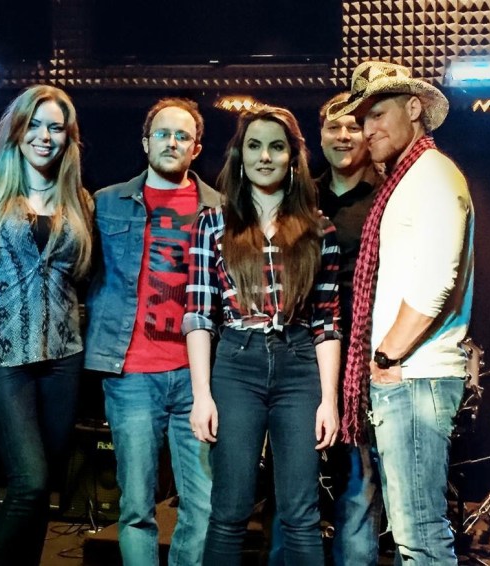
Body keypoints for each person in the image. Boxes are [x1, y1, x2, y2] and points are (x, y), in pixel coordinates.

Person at [328, 60, 474, 564]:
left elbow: (436, 283)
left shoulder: (432, 176)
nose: (367, 129)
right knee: (412, 533)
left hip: (414, 378)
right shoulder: (408, 178)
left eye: (377, 114)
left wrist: (385, 357)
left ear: (413, 108)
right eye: (361, 119)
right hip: (409, 378)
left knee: (419, 536)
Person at [184, 106, 341, 566]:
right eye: (254, 146)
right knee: (229, 511)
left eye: (276, 147)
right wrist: (201, 395)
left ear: (293, 157)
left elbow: (327, 322)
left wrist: (329, 400)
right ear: (240, 155)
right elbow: (199, 314)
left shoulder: (319, 228)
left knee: (301, 514)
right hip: (237, 362)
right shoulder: (213, 223)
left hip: (299, 365)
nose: (265, 156)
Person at [84, 98, 219, 566]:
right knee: (137, 507)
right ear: (145, 142)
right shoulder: (106, 202)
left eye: (183, 136)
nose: (171, 142)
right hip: (131, 375)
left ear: (196, 148)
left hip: (196, 379)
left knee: (202, 507)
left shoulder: (218, 208)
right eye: (162, 133)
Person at [0, 85, 93, 566]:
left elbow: (88, 279)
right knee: (28, 481)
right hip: (6, 356)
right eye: (36, 125)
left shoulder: (81, 200)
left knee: (45, 487)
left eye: (56, 128)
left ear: (68, 138)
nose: (45, 136)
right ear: (18, 129)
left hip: (64, 356)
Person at [317, 92, 384, 566]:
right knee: (291, 488)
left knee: (359, 486)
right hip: (307, 353)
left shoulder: (387, 195)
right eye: (333, 127)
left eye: (353, 126)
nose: (343, 136)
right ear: (319, 136)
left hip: (365, 356)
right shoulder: (300, 195)